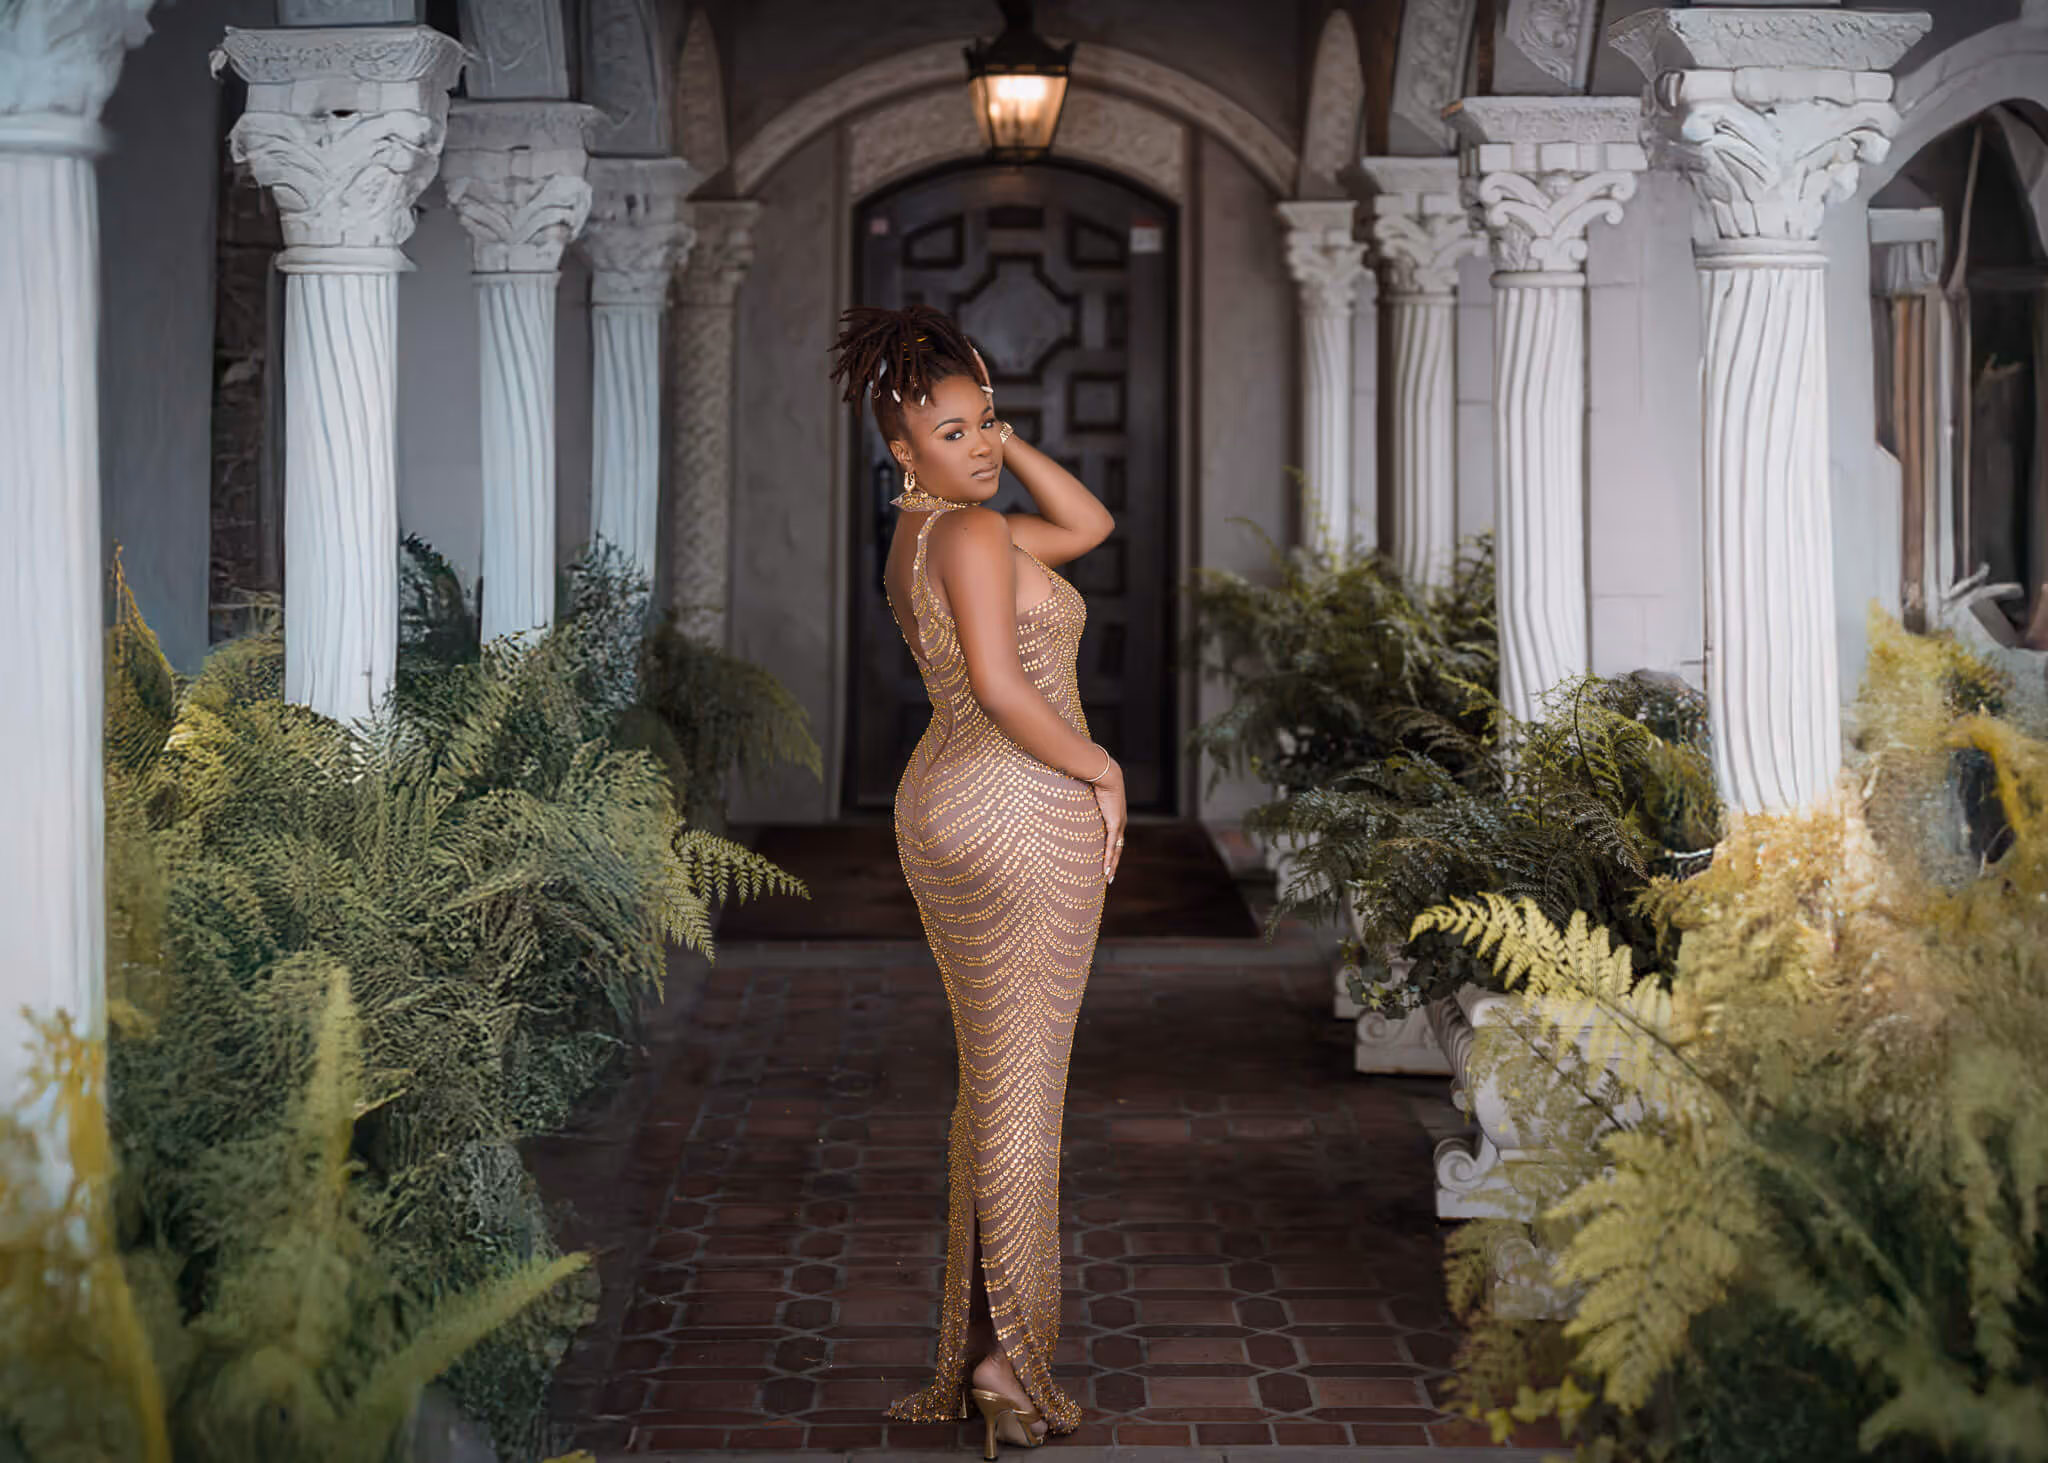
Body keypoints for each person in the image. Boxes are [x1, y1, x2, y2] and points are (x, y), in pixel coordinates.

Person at [828, 304, 1126, 1456]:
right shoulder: (967, 535)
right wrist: (1100, 768)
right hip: (1014, 807)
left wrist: (997, 429)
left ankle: (979, 1351)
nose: (983, 447)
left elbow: (1087, 522)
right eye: (950, 432)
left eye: (986, 421)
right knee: (1023, 1090)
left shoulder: (931, 533)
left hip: (944, 805)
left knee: (993, 1080)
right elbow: (1005, 689)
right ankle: (1007, 1363)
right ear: (901, 452)